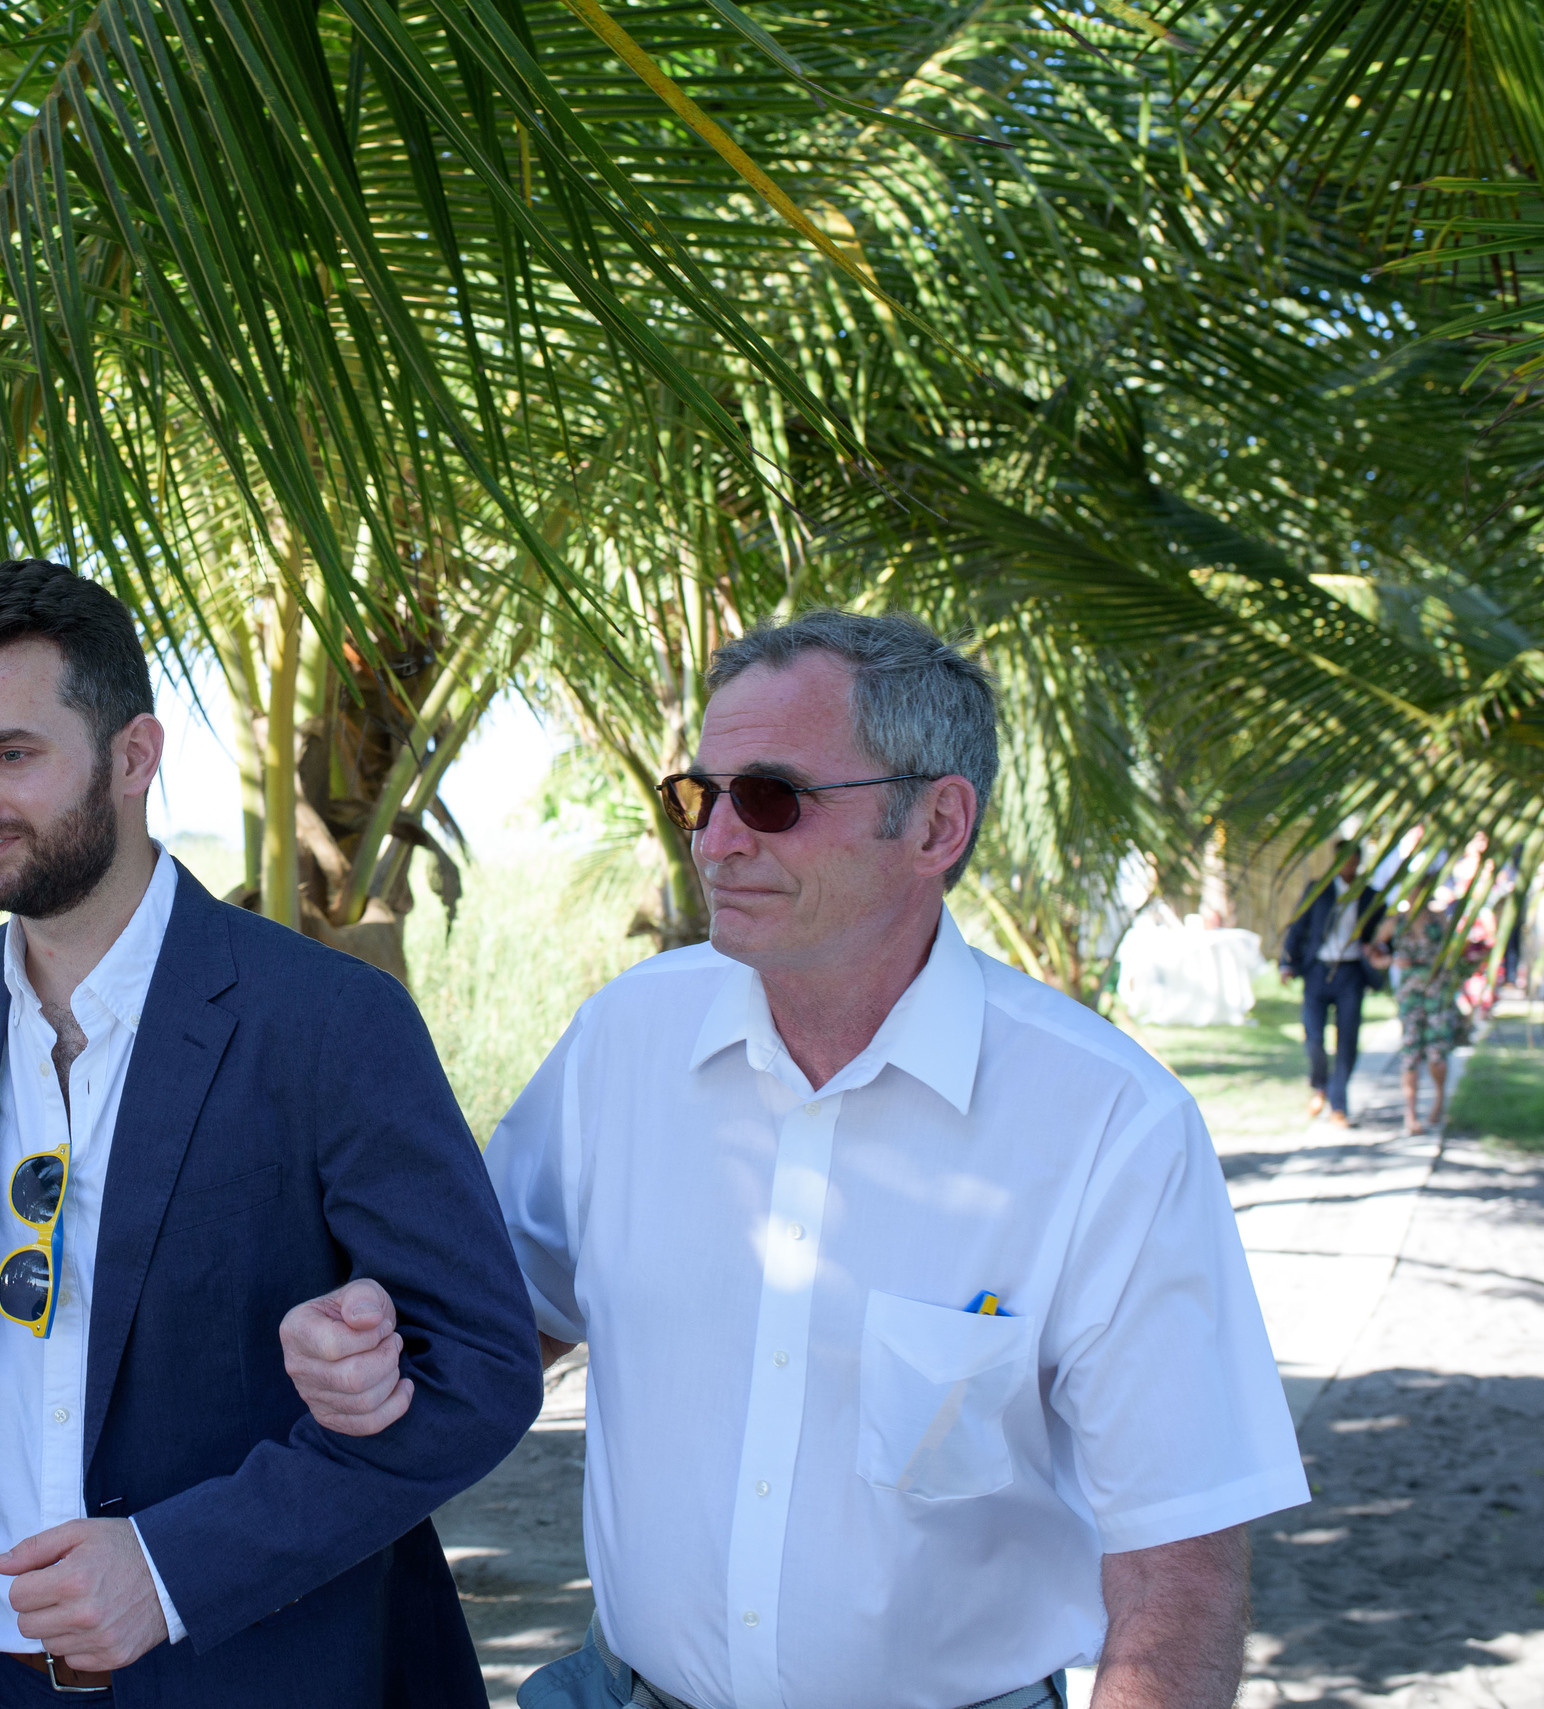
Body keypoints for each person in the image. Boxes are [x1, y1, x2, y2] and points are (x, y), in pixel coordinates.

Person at [283, 610, 1309, 1709]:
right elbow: (494, 1314)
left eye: (772, 797)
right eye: (699, 795)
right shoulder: (624, 1041)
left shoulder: (1108, 1124)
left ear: (935, 825)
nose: (716, 840)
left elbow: (1178, 1563)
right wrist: (362, 1340)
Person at [0, 559, 541, 1707]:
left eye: (11, 754)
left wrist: (170, 1567)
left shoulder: (326, 1021)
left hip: (251, 1673)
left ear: (133, 756)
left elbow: (482, 1371)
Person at [1278, 840, 1384, 1127]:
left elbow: (1383, 937)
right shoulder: (1317, 890)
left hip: (1351, 972)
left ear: (1358, 863)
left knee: (1347, 1040)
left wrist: (1376, 954)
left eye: (1352, 860)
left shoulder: (1371, 897)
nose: (1347, 866)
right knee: (1313, 1037)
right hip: (1317, 971)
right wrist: (1287, 963)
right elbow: (1298, 927)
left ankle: (1339, 1103)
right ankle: (1319, 1086)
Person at [1379, 898, 1470, 1137]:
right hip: (1410, 994)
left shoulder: (1439, 920)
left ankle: (1439, 1098)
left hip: (1436, 991)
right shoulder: (1395, 922)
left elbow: (1459, 948)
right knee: (1410, 1052)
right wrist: (1390, 961)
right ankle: (1410, 1114)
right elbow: (1373, 949)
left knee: (1436, 1052)